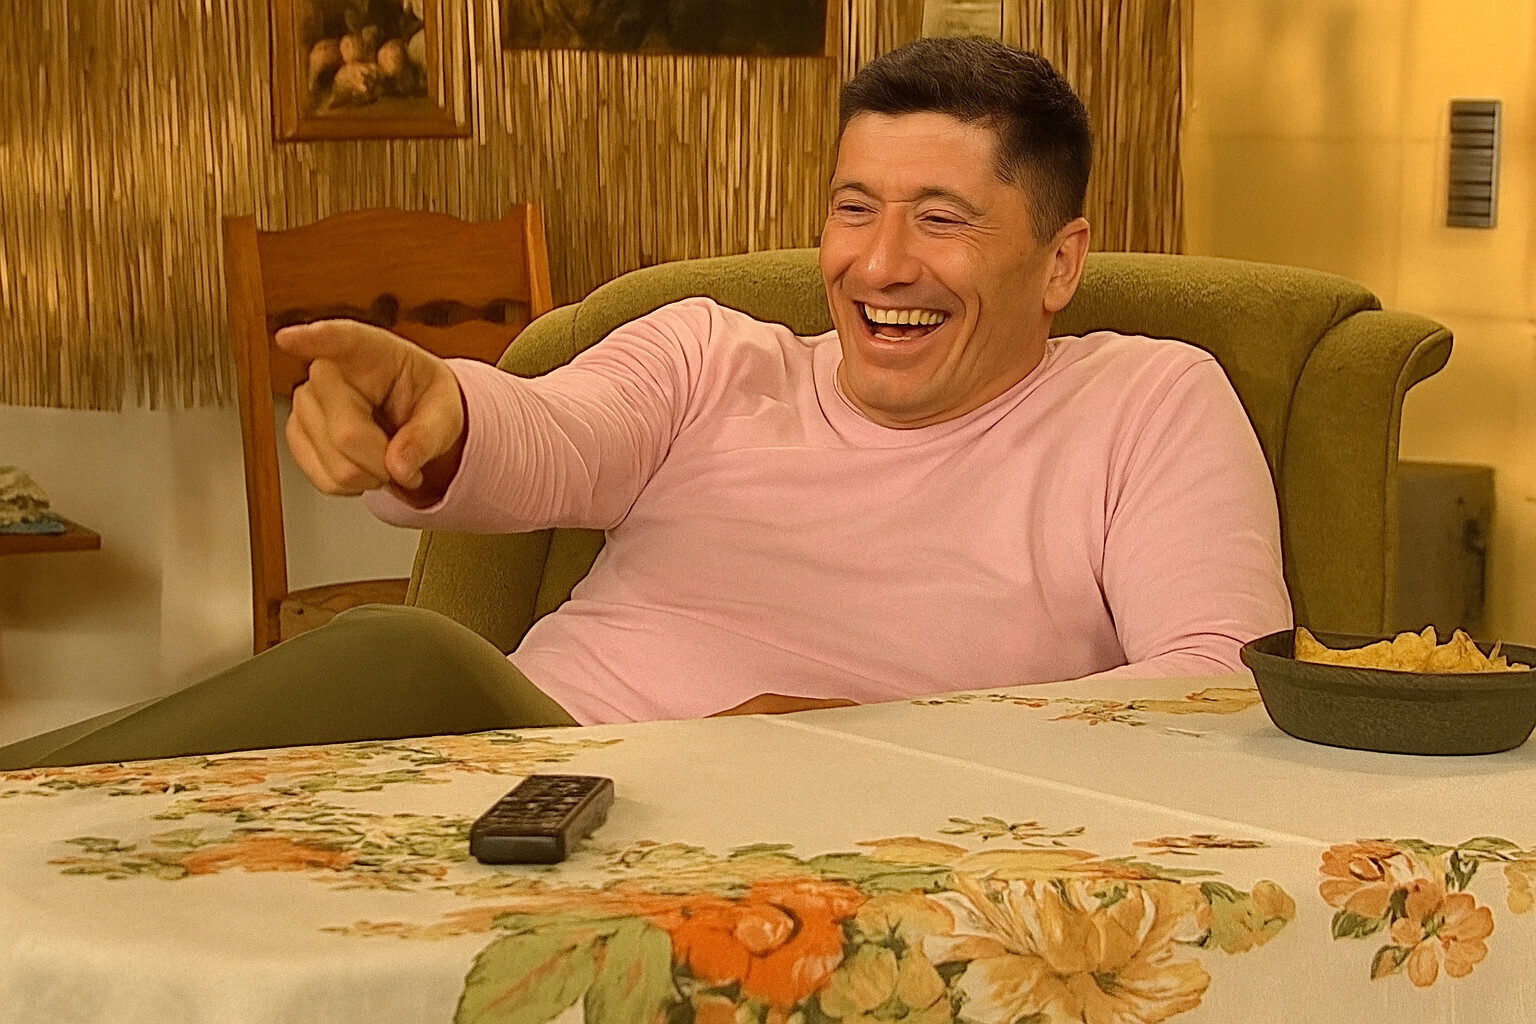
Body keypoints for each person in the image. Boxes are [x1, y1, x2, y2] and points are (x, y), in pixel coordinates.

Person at [0, 38, 1290, 770]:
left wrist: (873, 741)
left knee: (389, 657)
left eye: (941, 220)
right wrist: (435, 408)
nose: (880, 265)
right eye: (854, 208)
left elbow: (1217, 689)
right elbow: (554, 434)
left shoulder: (1148, 401)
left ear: (1058, 261)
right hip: (535, 764)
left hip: (826, 828)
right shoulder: (712, 355)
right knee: (365, 687)